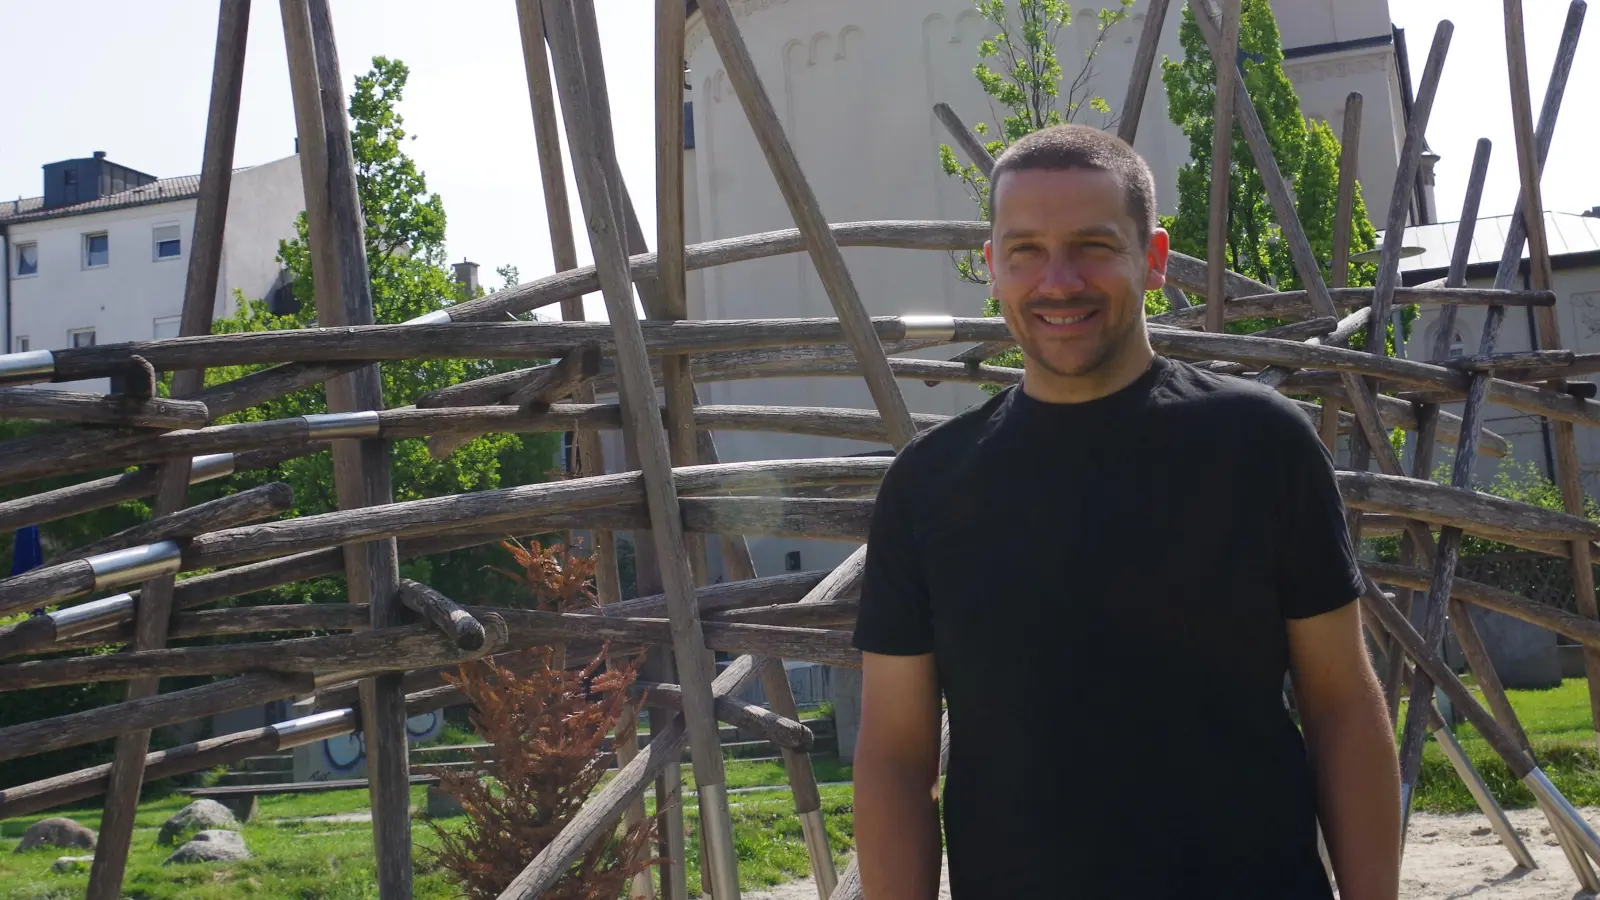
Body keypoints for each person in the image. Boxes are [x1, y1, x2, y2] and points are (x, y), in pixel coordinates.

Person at [849, 123, 1400, 899]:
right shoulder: (929, 486)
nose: (1059, 280)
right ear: (994, 270)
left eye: (1093, 246)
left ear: (1154, 260)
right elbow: (896, 757)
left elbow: (1341, 704)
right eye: (1027, 251)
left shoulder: (1260, 446)